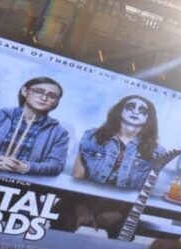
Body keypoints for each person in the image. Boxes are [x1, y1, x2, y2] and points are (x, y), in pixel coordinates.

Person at [65, 95, 167, 238]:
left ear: (148, 118)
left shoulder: (156, 152)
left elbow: (144, 192)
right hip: (80, 203)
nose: (136, 112)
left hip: (120, 211)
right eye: (131, 107)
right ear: (120, 111)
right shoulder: (93, 137)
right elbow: (76, 179)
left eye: (142, 110)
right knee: (63, 219)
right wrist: (82, 209)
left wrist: (119, 214)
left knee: (125, 232)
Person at [0, 76, 70, 175]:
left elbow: (56, 165)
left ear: (56, 102)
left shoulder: (60, 133)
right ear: (25, 91)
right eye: (39, 91)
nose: (44, 98)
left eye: (52, 96)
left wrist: (26, 167)